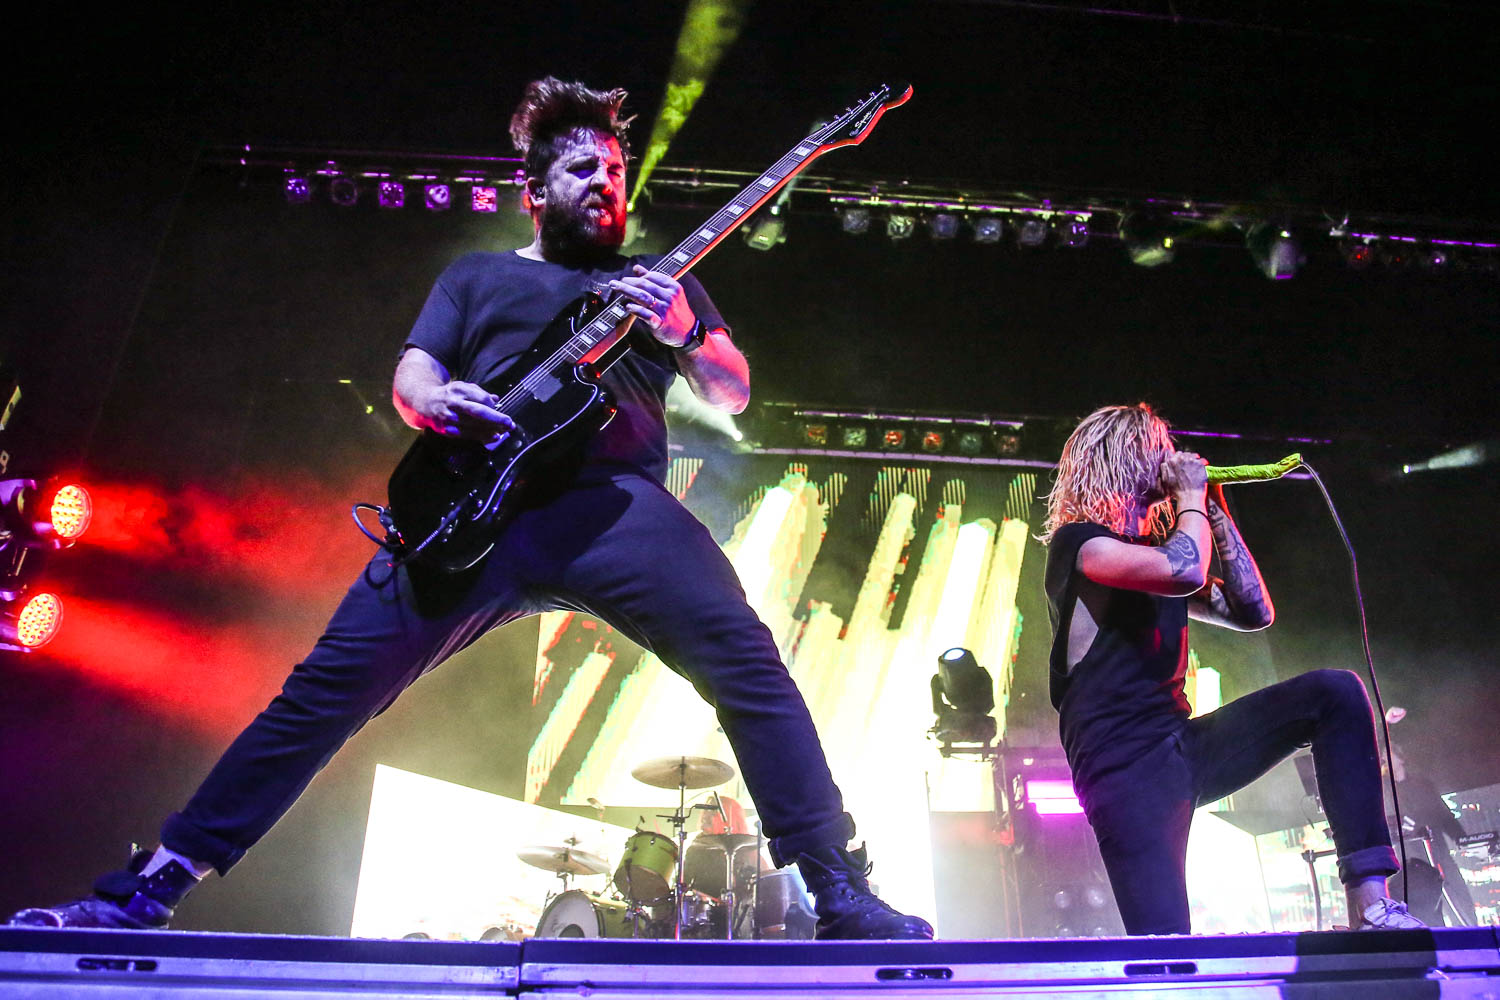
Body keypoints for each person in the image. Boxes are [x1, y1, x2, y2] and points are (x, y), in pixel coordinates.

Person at [10, 78, 931, 942]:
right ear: (534, 188)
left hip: (612, 504)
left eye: (616, 169)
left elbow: (730, 389)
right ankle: (153, 884)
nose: (605, 182)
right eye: (584, 168)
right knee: (321, 695)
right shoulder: (477, 279)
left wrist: (684, 331)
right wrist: (434, 402)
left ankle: (836, 888)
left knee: (747, 659)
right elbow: (413, 374)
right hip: (470, 511)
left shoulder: (662, 279)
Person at [1040, 403, 1421, 934]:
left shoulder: (1158, 555)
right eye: (1159, 449)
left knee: (1334, 693)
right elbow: (1185, 571)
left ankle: (1371, 906)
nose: (1172, 459)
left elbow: (1253, 612)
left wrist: (1214, 511)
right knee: (1166, 948)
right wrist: (1190, 499)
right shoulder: (1081, 544)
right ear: (1124, 458)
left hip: (1185, 747)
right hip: (1125, 770)